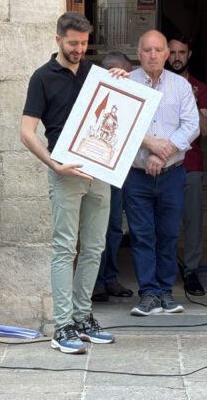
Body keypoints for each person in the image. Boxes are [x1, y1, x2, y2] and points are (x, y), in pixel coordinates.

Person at [20, 11, 115, 354]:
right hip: (65, 171)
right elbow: (26, 132)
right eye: (73, 43)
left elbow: (118, 113)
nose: (79, 49)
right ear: (58, 39)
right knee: (64, 248)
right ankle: (62, 326)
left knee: (94, 247)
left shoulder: (95, 73)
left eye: (84, 43)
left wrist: (121, 82)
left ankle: (83, 318)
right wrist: (54, 164)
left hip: (100, 171)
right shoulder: (42, 77)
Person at [113, 30, 199, 316]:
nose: (153, 55)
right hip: (136, 175)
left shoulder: (180, 86)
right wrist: (152, 146)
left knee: (169, 234)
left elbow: (191, 126)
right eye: (147, 50)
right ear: (138, 54)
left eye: (158, 50)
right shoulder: (126, 83)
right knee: (141, 236)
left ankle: (165, 293)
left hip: (173, 173)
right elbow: (118, 124)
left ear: (166, 54)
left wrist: (163, 153)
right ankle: (148, 294)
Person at [167, 35, 207, 296]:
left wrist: (193, 101)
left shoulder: (200, 88)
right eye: (172, 52)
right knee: (163, 221)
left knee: (193, 221)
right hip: (162, 162)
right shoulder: (159, 84)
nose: (176, 58)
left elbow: (204, 129)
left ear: (189, 55)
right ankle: (164, 270)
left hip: (190, 164)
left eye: (181, 52)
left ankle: (191, 270)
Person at [92, 52, 133, 302]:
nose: (129, 76)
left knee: (115, 228)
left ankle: (110, 278)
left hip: (118, 170)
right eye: (125, 71)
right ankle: (96, 282)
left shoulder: (129, 97)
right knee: (97, 229)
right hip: (95, 170)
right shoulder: (93, 92)